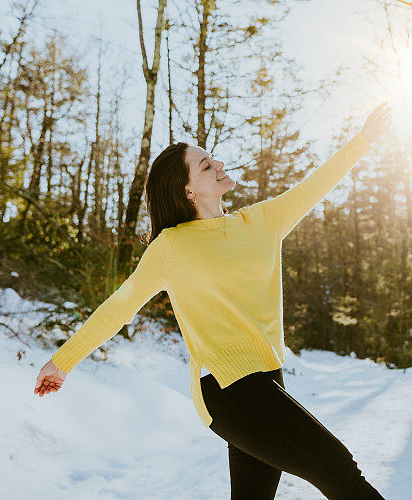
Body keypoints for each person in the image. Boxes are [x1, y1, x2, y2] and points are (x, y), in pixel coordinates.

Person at [35, 102, 392, 499]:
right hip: (227, 388)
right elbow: (120, 306)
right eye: (206, 165)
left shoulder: (261, 222)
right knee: (338, 468)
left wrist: (364, 139)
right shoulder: (171, 246)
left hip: (267, 380)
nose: (219, 163)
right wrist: (63, 361)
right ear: (187, 190)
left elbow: (315, 185)